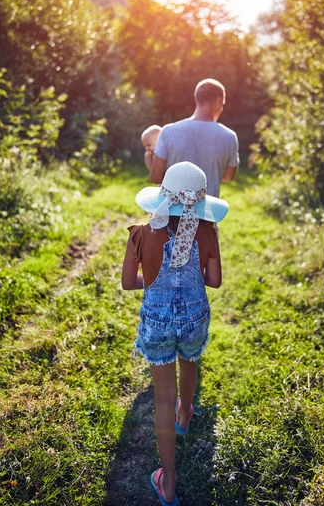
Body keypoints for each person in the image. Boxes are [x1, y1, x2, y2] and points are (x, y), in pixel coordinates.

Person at [122, 161, 229, 506]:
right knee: (191, 361)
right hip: (195, 316)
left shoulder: (141, 232)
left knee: (162, 398)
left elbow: (127, 283)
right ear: (198, 203)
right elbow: (214, 280)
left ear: (162, 197)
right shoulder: (207, 230)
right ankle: (186, 414)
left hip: (157, 321)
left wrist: (153, 283)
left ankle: (168, 481)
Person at [149, 78, 239, 197]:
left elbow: (156, 177)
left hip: (171, 210)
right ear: (218, 102)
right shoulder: (229, 137)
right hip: (207, 212)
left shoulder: (168, 131)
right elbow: (228, 177)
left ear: (197, 99)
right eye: (222, 105)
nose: (221, 109)